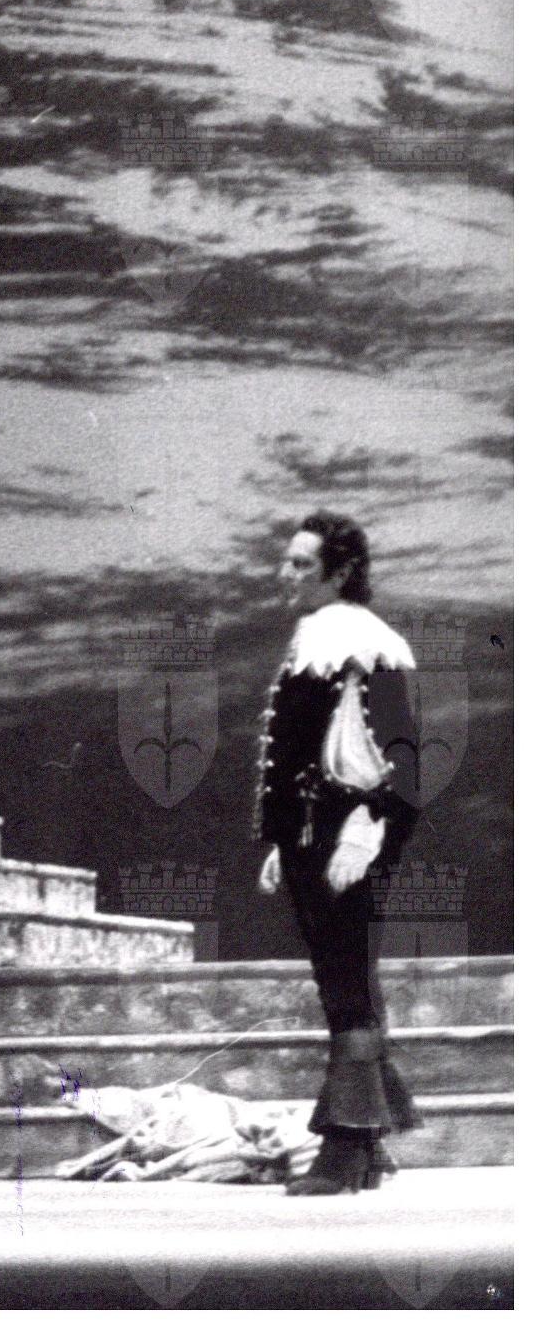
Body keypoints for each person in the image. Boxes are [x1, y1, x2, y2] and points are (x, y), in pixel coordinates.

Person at [254, 511, 421, 1195]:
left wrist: (367, 826)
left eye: (302, 563)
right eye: (288, 561)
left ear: (341, 571)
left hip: (346, 841)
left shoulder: (365, 643)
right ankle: (370, 1147)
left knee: (347, 985)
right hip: (312, 839)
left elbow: (401, 761)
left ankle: (345, 1151)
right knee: (344, 982)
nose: (286, 573)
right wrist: (282, 837)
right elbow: (297, 757)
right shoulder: (320, 637)